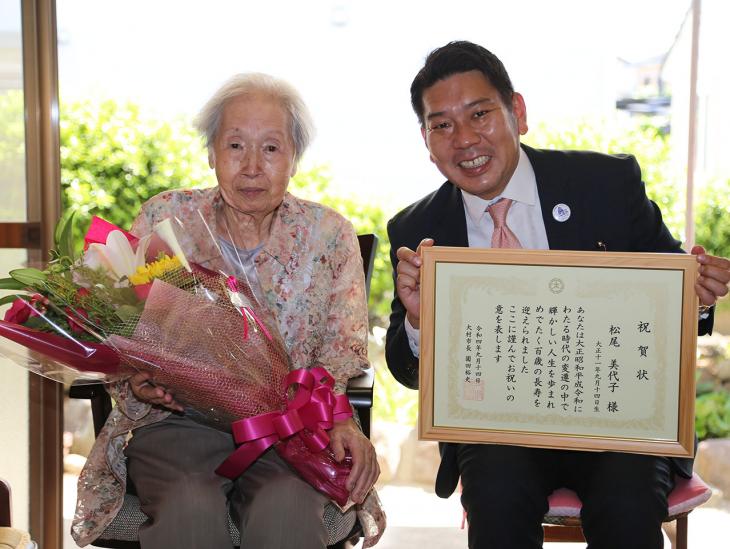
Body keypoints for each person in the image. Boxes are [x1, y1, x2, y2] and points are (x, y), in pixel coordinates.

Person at [386, 41, 730, 549]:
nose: (464, 139)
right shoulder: (418, 228)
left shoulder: (606, 184)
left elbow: (673, 286)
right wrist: (418, 322)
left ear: (517, 112)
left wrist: (699, 293)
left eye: (480, 114)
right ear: (426, 138)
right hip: (498, 434)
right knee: (496, 490)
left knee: (628, 501)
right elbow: (405, 368)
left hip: (616, 422)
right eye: (442, 125)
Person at [72, 73, 385, 549]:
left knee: (285, 513)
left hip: (289, 428)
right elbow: (127, 331)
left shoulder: (328, 234)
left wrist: (339, 416)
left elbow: (342, 351)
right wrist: (136, 380)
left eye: (272, 148)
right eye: (236, 145)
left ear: (295, 158)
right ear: (212, 153)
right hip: (178, 422)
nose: (252, 167)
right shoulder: (166, 218)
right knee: (189, 508)